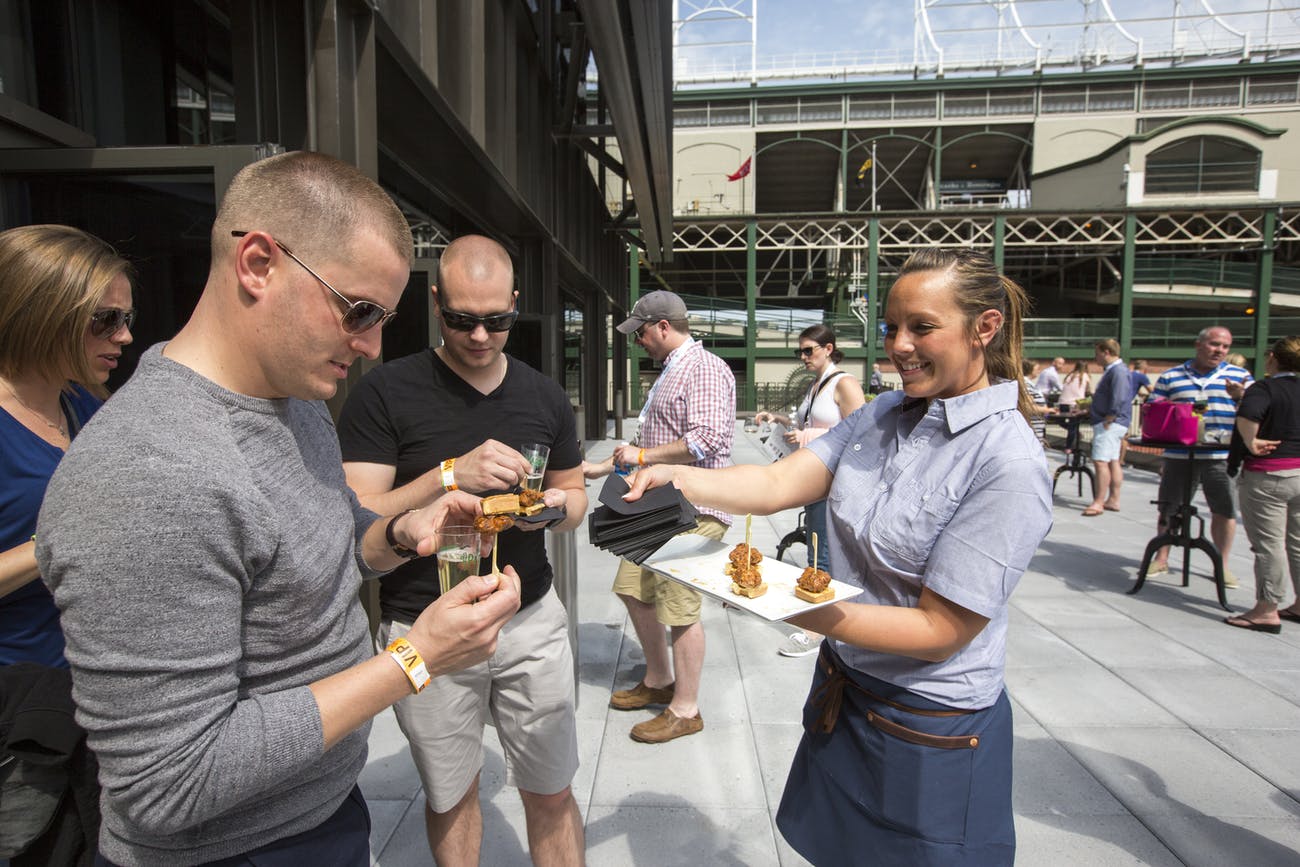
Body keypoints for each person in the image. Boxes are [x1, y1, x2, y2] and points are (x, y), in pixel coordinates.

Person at [35, 151, 522, 866]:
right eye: (358, 310)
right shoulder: (146, 471)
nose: (371, 346)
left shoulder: (293, 400)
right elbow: (170, 781)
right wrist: (414, 658)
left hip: (317, 809)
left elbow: (318, 538)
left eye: (385, 318)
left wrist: (394, 531)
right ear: (258, 263)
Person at [625, 247, 1052, 864]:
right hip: (848, 687)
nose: (899, 345)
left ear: (985, 328)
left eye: (922, 327)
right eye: (891, 328)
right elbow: (776, 485)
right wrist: (682, 482)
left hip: (927, 720)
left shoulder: (1005, 461)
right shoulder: (881, 413)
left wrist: (792, 605)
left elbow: (941, 631)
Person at [336, 234, 586, 865]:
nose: (480, 336)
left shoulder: (544, 395)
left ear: (515, 307)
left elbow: (573, 493)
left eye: (497, 321)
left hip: (528, 619)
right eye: (462, 320)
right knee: (451, 795)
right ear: (435, 302)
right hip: (425, 621)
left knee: (552, 789)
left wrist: (550, 514)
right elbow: (357, 515)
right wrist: (448, 476)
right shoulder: (384, 392)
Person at [586, 290, 735, 743]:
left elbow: (707, 438)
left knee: (680, 608)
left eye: (642, 333)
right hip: (657, 506)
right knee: (633, 590)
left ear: (664, 327)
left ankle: (686, 708)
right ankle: (658, 679)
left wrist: (643, 453)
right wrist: (601, 466)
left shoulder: (704, 368)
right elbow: (652, 445)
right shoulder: (674, 369)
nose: (639, 343)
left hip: (690, 507)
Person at [0, 225, 134, 668]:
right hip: (20, 701)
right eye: (105, 319)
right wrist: (55, 541)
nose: (123, 337)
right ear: (43, 314)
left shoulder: (83, 402)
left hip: (97, 684)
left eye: (126, 319)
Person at [753, 324, 866, 658]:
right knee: (819, 548)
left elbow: (860, 435)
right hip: (816, 478)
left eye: (808, 350)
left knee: (823, 553)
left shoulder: (844, 383)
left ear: (828, 348)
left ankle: (818, 629)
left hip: (832, 481)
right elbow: (811, 426)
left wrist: (806, 438)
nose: (802, 357)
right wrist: (780, 420)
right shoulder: (819, 384)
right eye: (799, 352)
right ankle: (822, 623)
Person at [1146, 325, 1253, 585]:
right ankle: (1161, 558)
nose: (1220, 351)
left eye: (1225, 347)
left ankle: (1222, 564)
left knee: (1224, 509)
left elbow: (1256, 411)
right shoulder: (1172, 376)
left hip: (1221, 456)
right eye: (1214, 344)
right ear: (1199, 344)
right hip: (1180, 454)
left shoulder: (1239, 376)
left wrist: (1241, 397)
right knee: (1168, 506)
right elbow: (1153, 407)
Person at [1225, 337, 1300, 632]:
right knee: (1297, 543)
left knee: (1268, 545)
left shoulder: (1265, 387)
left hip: (1268, 475)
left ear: (1272, 358)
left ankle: (1267, 609)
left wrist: (1250, 441)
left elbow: (1249, 414)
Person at [1083, 339, 1132, 516]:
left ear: (1106, 352)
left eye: (1097, 353)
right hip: (1114, 421)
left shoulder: (1117, 371)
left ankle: (1098, 501)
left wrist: (1110, 416)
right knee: (1112, 461)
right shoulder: (1118, 370)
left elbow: (1118, 396)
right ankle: (1113, 499)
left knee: (1101, 461)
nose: (1096, 358)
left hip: (1110, 421)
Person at [1022, 359, 1047, 445]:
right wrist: (1047, 410)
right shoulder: (1025, 384)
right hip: (1032, 426)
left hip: (1036, 426)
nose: (1039, 371)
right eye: (1037, 369)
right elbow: (1028, 407)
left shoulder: (1030, 383)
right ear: (1029, 369)